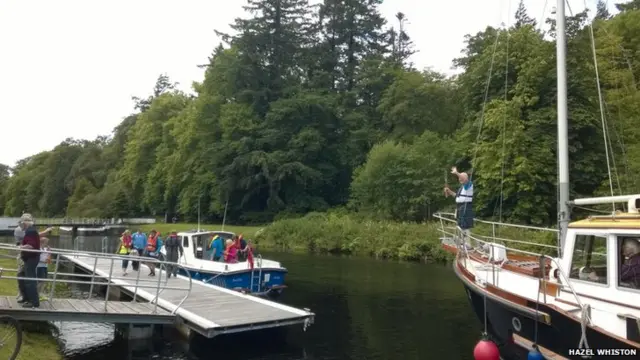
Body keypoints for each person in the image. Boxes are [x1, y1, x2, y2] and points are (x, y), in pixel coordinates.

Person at [444, 166, 475, 246]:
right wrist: (449, 191)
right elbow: (457, 196)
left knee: (465, 224)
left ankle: (467, 244)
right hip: (460, 207)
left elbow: (464, 179)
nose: (459, 179)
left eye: (461, 177)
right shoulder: (462, 187)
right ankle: (463, 242)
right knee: (460, 224)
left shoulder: (468, 184)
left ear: (466, 178)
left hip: (465, 206)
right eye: (459, 177)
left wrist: (456, 173)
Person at [17, 213, 41, 308]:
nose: (20, 225)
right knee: (21, 276)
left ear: (25, 223)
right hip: (28, 258)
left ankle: (34, 302)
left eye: (21, 223)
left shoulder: (31, 231)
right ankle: (26, 297)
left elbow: (31, 246)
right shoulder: (29, 231)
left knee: (30, 280)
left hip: (31, 258)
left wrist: (21, 247)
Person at [37, 237, 52, 302]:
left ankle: (40, 293)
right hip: (39, 267)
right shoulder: (38, 249)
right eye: (46, 242)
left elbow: (48, 258)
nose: (47, 244)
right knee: (40, 281)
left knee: (44, 280)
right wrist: (44, 261)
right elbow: (37, 259)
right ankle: (37, 294)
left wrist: (49, 252)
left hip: (45, 266)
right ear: (42, 242)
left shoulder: (46, 249)